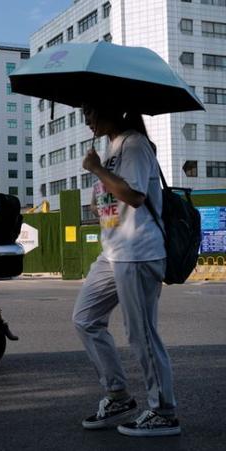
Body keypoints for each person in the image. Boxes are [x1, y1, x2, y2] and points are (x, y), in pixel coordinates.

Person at [72, 103, 180, 437]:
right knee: (85, 319)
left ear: (114, 110)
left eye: (91, 111)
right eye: (84, 113)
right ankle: (118, 395)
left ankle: (163, 411)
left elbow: (134, 195)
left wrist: (96, 170)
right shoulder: (112, 149)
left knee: (141, 333)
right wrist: (99, 196)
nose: (87, 118)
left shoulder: (134, 144)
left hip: (138, 251)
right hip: (113, 252)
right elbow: (111, 201)